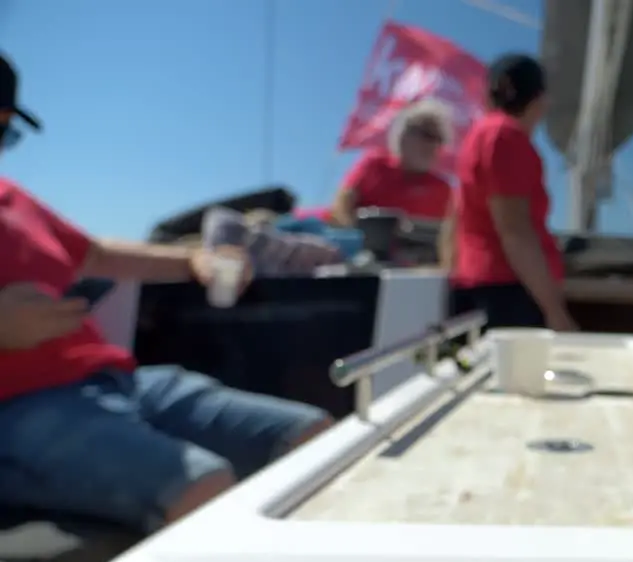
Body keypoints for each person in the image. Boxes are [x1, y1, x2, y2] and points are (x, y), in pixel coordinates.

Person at [0, 53, 332, 532]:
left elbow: (97, 254)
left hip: (120, 383)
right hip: (20, 408)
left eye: (6, 134)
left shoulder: (15, 198)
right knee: (203, 485)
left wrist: (194, 259)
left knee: (312, 438)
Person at [449, 53, 575, 331]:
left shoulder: (479, 135)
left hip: (481, 285)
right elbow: (515, 232)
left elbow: (456, 218)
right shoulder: (506, 138)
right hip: (506, 292)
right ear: (540, 101)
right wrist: (555, 311)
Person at [330, 98, 453, 227]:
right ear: (403, 135)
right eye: (427, 135)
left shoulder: (444, 190)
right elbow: (343, 203)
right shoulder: (374, 165)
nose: (432, 145)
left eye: (439, 139)